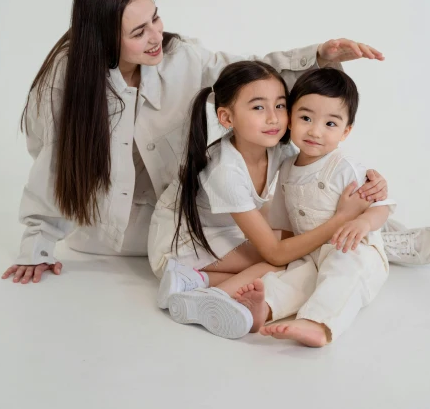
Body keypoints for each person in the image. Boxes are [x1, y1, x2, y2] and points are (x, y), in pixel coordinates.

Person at [1, 0, 394, 285]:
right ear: (102, 38)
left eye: (155, 17)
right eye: (138, 32)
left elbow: (248, 73)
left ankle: (377, 229)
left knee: (277, 149)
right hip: (128, 233)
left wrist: (318, 57)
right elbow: (53, 163)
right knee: (284, 247)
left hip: (192, 211)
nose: (156, 35)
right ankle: (371, 241)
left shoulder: (178, 56)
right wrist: (37, 246)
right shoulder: (65, 82)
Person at [148, 62, 373, 338]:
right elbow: (274, 253)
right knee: (285, 258)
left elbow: (318, 171)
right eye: (258, 107)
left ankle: (194, 281)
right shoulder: (225, 171)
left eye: (280, 106)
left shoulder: (276, 147)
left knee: (296, 244)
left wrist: (373, 182)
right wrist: (341, 219)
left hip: (220, 234)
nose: (273, 118)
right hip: (180, 244)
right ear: (227, 118)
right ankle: (213, 295)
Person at [240, 69, 430, 346]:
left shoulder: (344, 167)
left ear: (346, 131)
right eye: (306, 118)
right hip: (311, 252)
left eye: (330, 124)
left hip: (352, 248)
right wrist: (287, 259)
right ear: (290, 119)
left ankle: (319, 324)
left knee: (342, 274)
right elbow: (286, 223)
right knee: (293, 279)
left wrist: (363, 223)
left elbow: (381, 205)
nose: (315, 130)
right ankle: (261, 309)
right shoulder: (287, 168)